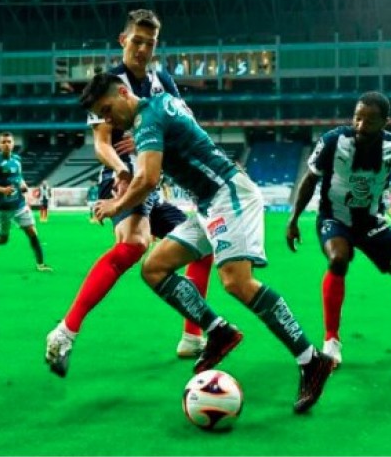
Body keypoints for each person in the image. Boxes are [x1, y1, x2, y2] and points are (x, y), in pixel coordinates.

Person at [49, 73, 334, 414]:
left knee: (236, 281)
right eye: (102, 116)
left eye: (108, 110)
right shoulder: (157, 109)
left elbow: (148, 178)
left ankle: (311, 359)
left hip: (228, 194)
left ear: (123, 92)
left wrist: (115, 205)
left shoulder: (148, 118)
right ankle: (218, 331)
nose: (108, 120)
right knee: (154, 268)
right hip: (208, 203)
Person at [45, 9, 213, 363]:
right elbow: (102, 143)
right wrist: (121, 169)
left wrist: (149, 135)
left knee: (203, 245)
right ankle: (65, 332)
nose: (143, 49)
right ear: (123, 40)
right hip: (122, 179)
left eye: (150, 43)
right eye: (137, 41)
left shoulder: (163, 80)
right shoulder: (108, 84)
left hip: (152, 183)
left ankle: (192, 337)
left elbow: (182, 125)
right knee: (134, 244)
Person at [286, 91, 391, 368]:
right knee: (338, 259)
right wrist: (294, 220)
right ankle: (331, 341)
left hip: (372, 223)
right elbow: (310, 179)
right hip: (334, 218)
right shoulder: (333, 141)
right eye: (357, 118)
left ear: (385, 122)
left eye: (370, 121)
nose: (361, 125)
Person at [0, 132, 52, 272]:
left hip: (20, 205)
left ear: (13, 144)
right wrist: (2, 190)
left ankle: (41, 264)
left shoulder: (17, 159)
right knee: (2, 240)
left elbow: (19, 176)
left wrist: (23, 184)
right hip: (3, 209)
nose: (6, 144)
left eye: (9, 141)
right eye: (3, 142)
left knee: (32, 232)